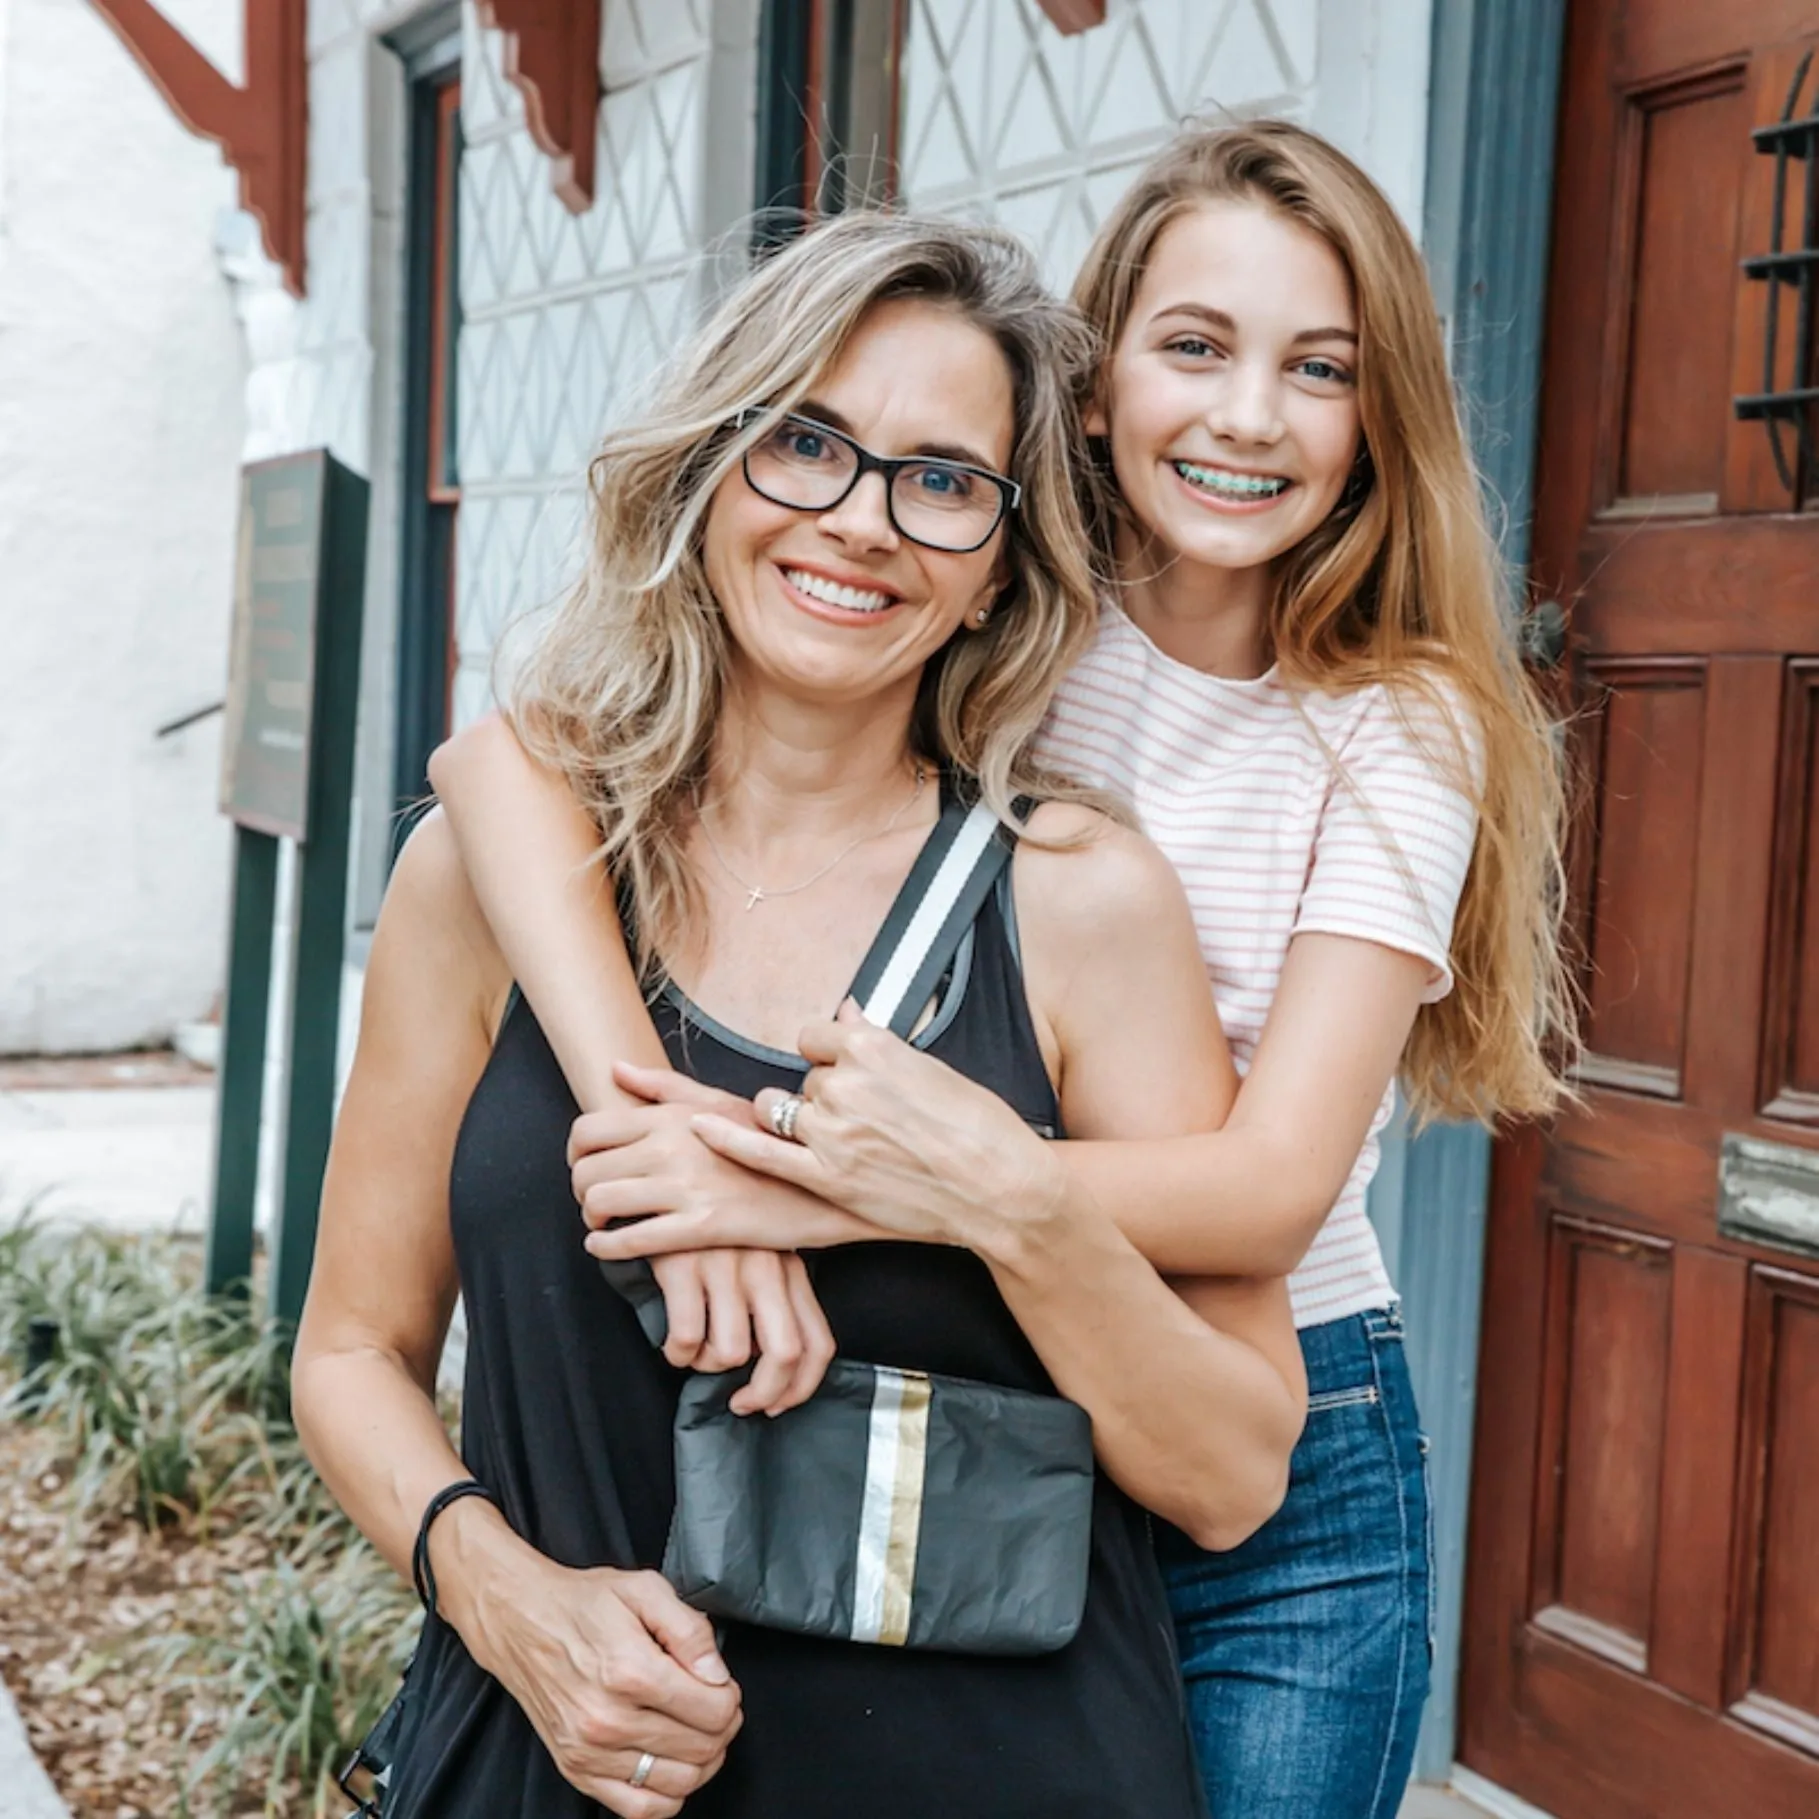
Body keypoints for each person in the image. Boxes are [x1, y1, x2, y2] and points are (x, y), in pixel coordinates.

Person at [428, 121, 1573, 1819]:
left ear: (1374, 425)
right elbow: (505, 766)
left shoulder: (1392, 728)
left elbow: (1266, 1192)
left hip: (1276, 1408)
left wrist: (816, 1184)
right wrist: (643, 1102)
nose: (1248, 413)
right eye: (1194, 346)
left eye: (1317, 370)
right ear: (1091, 395)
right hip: (994, 1354)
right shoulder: (986, 600)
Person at [292, 209, 1306, 1819]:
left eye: (943, 479)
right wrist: (496, 1593)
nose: (860, 520)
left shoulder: (1080, 905)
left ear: (996, 569)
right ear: (708, 474)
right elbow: (350, 1346)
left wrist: (1006, 1207)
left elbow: (1236, 1468)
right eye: (804, 443)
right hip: (557, 1763)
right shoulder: (494, 878)